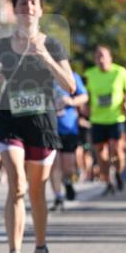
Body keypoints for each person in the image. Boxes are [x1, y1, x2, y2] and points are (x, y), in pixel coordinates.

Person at [0, 0, 75, 253]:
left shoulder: (52, 44)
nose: (28, 6)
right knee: (17, 185)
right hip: (10, 120)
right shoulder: (3, 44)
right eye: (23, 2)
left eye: (33, 2)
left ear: (40, 10)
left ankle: (40, 247)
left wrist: (46, 58)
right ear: (15, 9)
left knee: (37, 192)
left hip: (41, 122)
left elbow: (70, 86)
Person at [84, 46, 126, 195]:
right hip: (97, 119)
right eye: (98, 57)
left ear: (110, 58)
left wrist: (125, 101)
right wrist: (85, 106)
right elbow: (84, 93)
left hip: (116, 118)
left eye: (103, 56)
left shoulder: (120, 72)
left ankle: (119, 173)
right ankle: (108, 181)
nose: (101, 60)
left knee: (116, 150)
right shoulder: (89, 74)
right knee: (100, 154)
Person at [49, 70, 88, 211]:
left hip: (68, 127)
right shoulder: (42, 74)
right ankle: (58, 197)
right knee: (54, 165)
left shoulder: (72, 76)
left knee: (68, 167)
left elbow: (84, 96)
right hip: (49, 127)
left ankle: (68, 182)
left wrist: (70, 101)